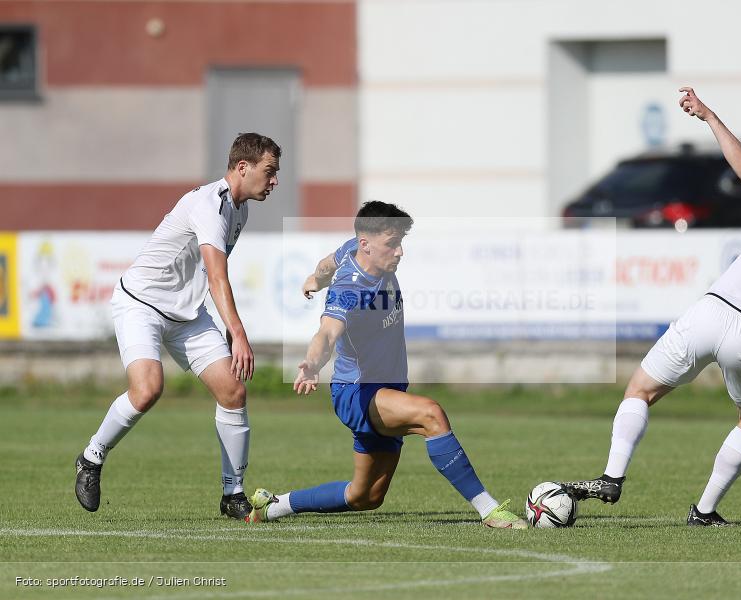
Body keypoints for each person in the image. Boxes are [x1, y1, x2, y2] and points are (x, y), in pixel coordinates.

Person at [562, 87, 741, 526]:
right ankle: (704, 510)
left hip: (710, 311)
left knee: (640, 390)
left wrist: (710, 116)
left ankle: (611, 477)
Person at [245, 201, 527, 529]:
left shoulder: (355, 246)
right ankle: (489, 511)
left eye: (401, 242)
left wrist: (314, 278)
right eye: (392, 244)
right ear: (367, 244)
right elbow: (327, 332)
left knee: (365, 497)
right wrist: (312, 363)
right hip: (358, 394)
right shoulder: (351, 289)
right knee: (431, 415)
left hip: (386, 390)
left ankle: (275, 506)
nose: (400, 252)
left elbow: (326, 263)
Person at [74, 133, 282, 519]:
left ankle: (232, 495)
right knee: (148, 389)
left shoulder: (240, 210)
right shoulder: (208, 205)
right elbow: (218, 277)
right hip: (142, 305)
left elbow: (208, 273)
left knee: (233, 391)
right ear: (243, 167)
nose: (274, 181)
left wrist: (222, 324)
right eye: (269, 172)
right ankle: (91, 457)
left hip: (187, 315)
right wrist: (237, 332)